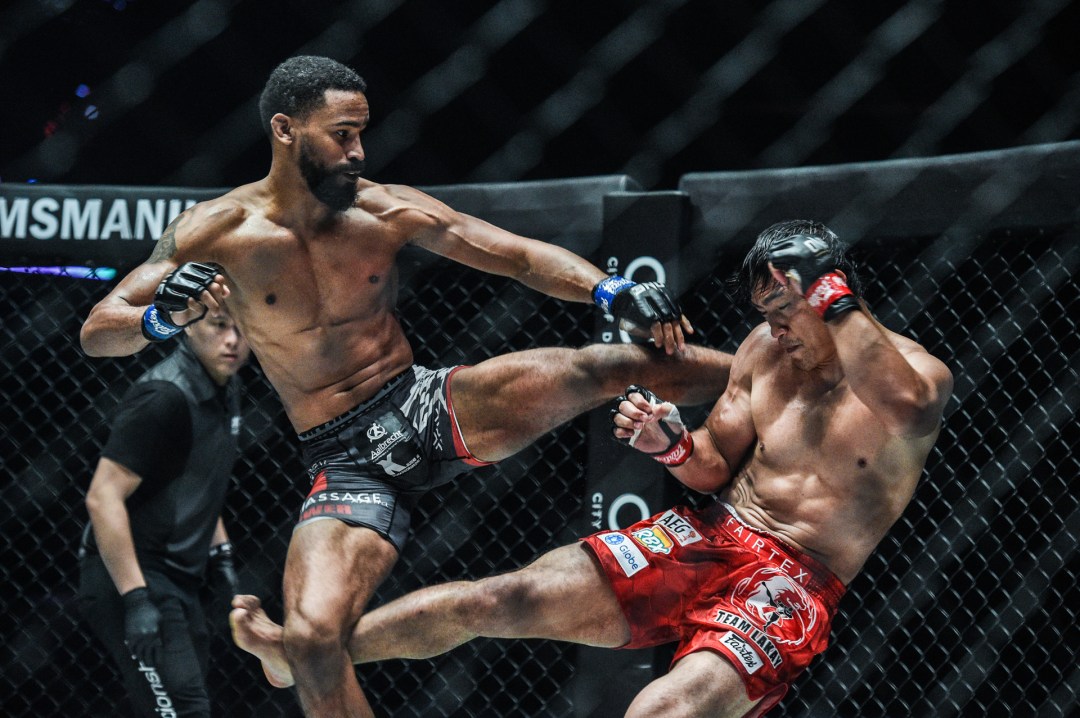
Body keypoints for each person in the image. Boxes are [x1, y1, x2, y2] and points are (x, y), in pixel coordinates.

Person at [79, 55, 732, 716]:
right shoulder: (214, 232)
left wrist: (608, 287)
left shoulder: (382, 209)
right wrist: (160, 317)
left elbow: (515, 254)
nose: (358, 151)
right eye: (341, 134)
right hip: (344, 459)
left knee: (608, 364)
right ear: (285, 129)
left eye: (362, 132)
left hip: (422, 405)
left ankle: (763, 379)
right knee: (309, 642)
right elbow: (99, 329)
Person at [229, 219, 954, 718]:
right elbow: (709, 469)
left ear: (830, 294)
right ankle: (304, 654)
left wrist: (827, 293)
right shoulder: (765, 354)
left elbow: (908, 401)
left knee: (661, 710)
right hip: (713, 534)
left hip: (794, 580)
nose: (773, 329)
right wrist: (670, 444)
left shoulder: (912, 373)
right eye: (764, 312)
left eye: (786, 308)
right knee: (496, 599)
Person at [78, 310, 250, 717]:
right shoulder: (164, 396)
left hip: (180, 578)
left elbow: (199, 483)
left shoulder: (228, 388)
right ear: (189, 324)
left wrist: (223, 560)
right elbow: (102, 497)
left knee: (176, 705)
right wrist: (136, 599)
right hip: (131, 573)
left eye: (243, 328)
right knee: (182, 709)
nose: (232, 340)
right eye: (220, 324)